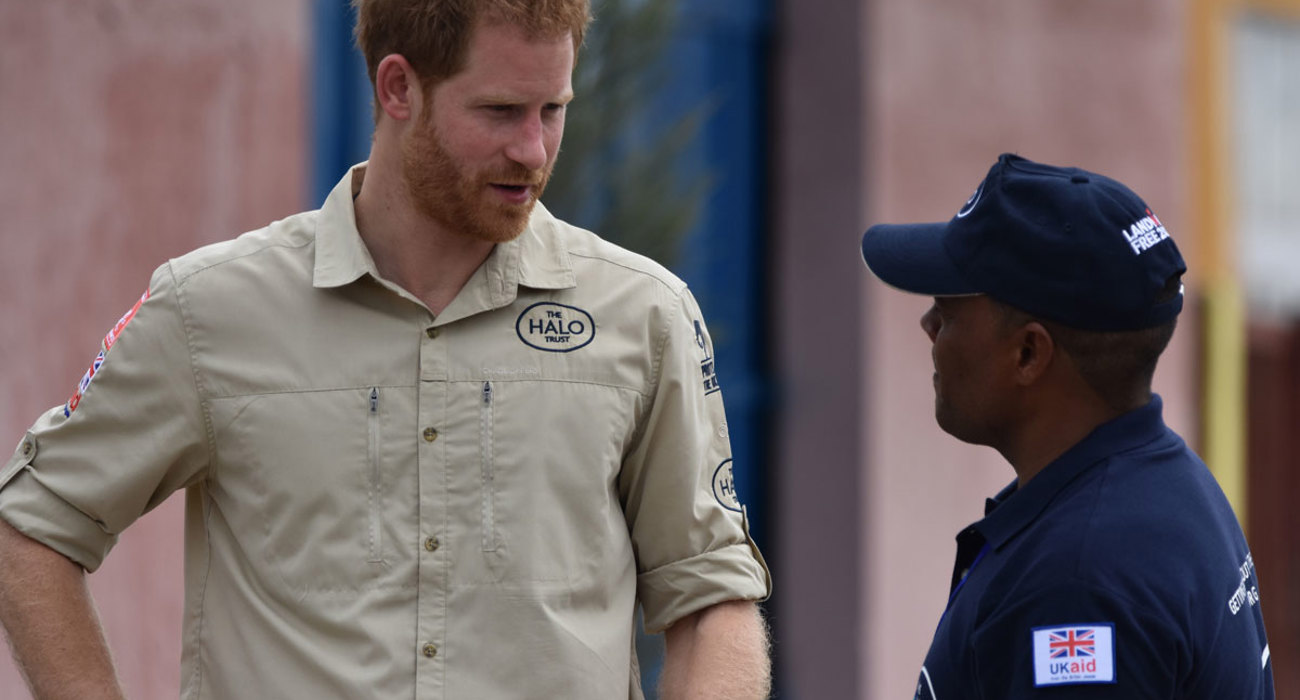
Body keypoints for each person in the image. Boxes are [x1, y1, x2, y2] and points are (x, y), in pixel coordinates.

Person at [0, 1, 772, 698]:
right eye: (501, 111)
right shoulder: (208, 311)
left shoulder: (645, 315)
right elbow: (31, 526)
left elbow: (711, 601)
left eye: (554, 110)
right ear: (397, 88)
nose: (534, 151)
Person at [860, 153, 1273, 699]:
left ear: (1029, 353)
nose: (928, 325)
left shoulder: (1075, 586)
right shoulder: (1160, 483)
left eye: (949, 307)